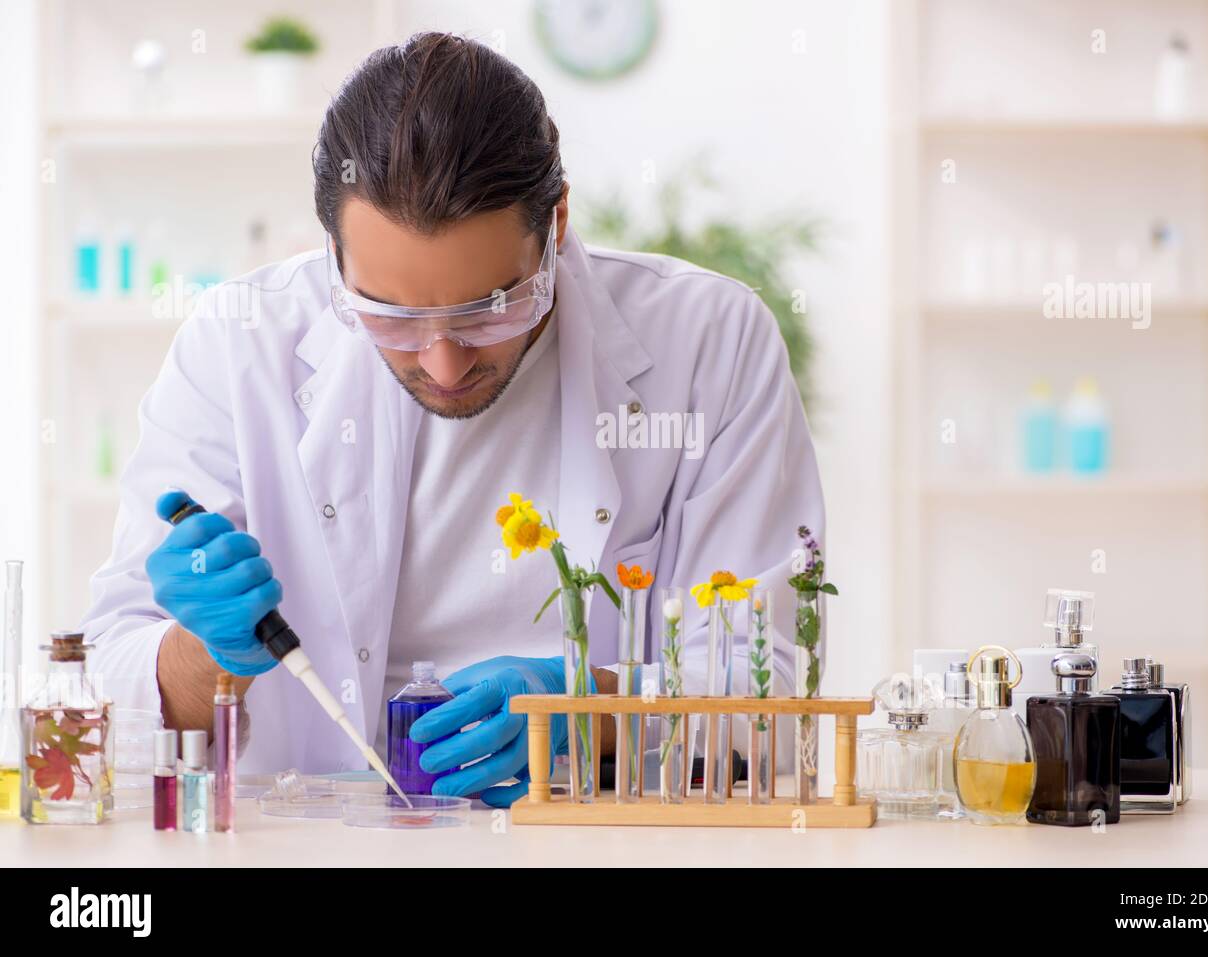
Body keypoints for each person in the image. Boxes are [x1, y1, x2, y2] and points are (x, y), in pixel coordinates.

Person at [82, 32, 824, 807]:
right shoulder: (237, 343)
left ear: (557, 223)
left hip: (587, 840)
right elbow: (105, 702)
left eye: (488, 310)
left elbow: (770, 690)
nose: (443, 363)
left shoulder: (708, 339)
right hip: (309, 844)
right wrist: (211, 651)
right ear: (334, 254)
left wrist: (585, 708)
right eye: (391, 314)